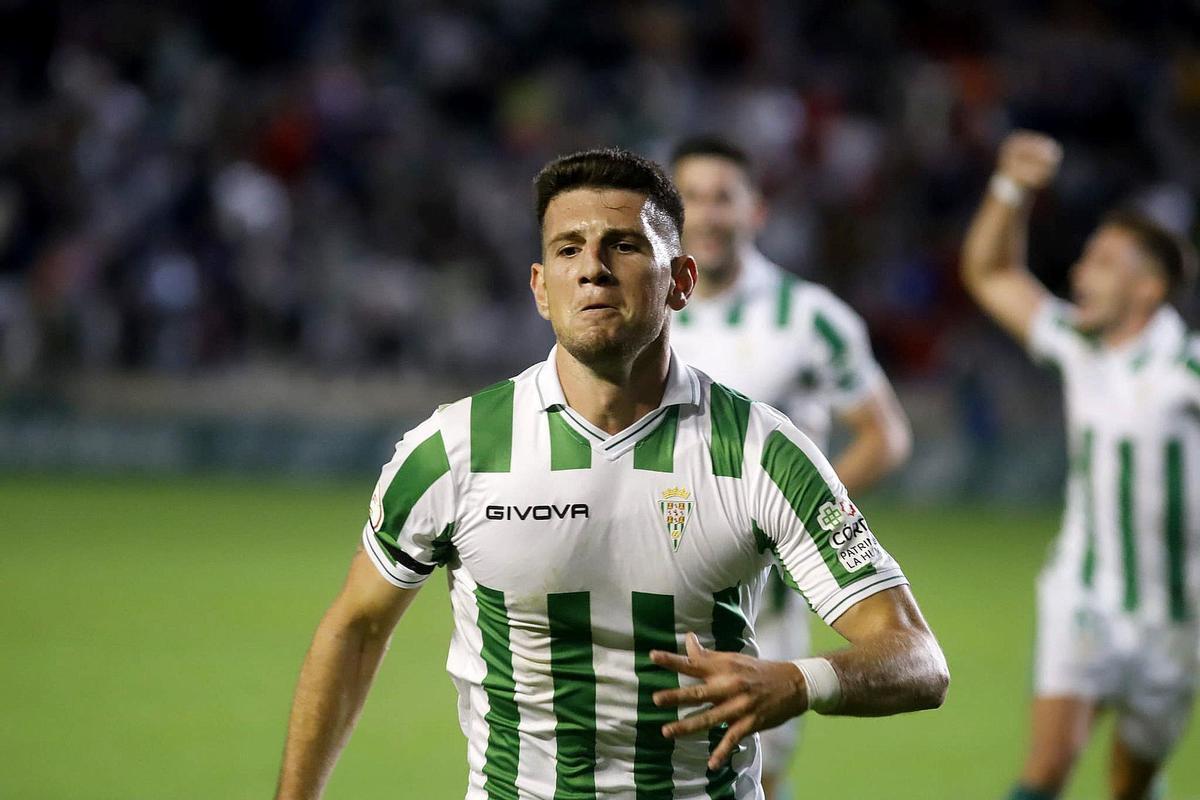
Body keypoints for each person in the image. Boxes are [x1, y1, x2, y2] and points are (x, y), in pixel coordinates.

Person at [275, 148, 949, 800]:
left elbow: (917, 659)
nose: (592, 269)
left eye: (624, 246)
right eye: (568, 249)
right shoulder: (455, 450)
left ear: (681, 280)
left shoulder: (761, 450)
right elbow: (354, 628)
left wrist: (799, 683)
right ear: (541, 289)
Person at [669, 136, 913, 800]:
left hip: (759, 593)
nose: (709, 213)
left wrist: (795, 515)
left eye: (725, 197)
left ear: (757, 210)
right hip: (653, 573)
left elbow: (884, 436)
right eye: (692, 196)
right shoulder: (647, 305)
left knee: (751, 771)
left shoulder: (809, 318)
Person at [961, 130, 1200, 800]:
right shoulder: (1078, 344)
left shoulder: (1186, 370)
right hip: (1085, 594)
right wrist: (1010, 189)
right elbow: (991, 273)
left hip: (1175, 618)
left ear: (1148, 289)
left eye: (1102, 262)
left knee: (1130, 785)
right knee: (1048, 767)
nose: (1080, 273)